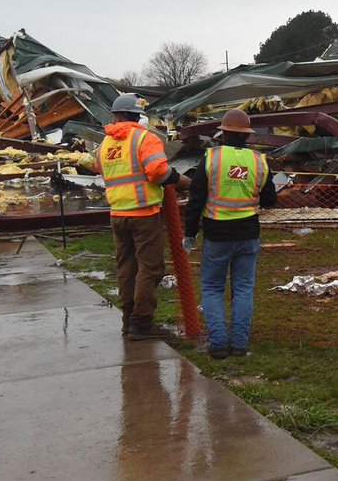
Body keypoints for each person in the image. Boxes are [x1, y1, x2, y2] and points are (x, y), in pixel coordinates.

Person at [94, 93, 190, 340]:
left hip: (117, 214)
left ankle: (128, 321)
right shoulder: (145, 138)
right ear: (137, 116)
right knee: (151, 268)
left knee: (126, 268)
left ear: (116, 115)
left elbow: (100, 169)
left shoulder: (104, 145)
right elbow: (157, 171)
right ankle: (142, 323)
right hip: (144, 213)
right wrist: (179, 180)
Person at [183, 109, 276, 359]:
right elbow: (269, 200)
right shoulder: (259, 161)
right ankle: (239, 344)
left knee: (213, 288)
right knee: (244, 289)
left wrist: (190, 233)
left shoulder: (211, 158)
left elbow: (195, 199)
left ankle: (218, 344)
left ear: (223, 133)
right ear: (247, 135)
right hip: (248, 234)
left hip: (216, 235)